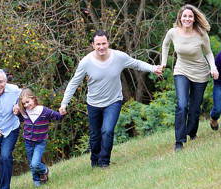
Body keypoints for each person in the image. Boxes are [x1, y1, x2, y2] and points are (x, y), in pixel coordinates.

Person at [59, 30, 163, 168]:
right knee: (95, 136)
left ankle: (104, 162)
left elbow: (136, 63)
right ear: (93, 45)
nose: (101, 47)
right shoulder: (86, 62)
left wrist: (153, 68)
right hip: (93, 104)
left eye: (104, 43)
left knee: (107, 131)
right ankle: (95, 161)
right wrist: (64, 103)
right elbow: (74, 83)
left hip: (114, 101)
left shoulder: (119, 57)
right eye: (98, 44)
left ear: (108, 43)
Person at [161, 4, 219, 152]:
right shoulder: (173, 32)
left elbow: (208, 53)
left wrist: (213, 67)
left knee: (194, 108)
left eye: (190, 16)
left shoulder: (201, 34)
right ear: (180, 17)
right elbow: (165, 45)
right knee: (182, 105)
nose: (187, 18)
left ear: (194, 19)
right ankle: (179, 142)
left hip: (200, 72)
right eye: (185, 16)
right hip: (181, 70)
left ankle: (192, 132)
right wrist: (163, 62)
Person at [14, 88, 63, 187]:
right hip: (28, 141)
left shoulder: (44, 111)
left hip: (40, 142)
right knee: (31, 164)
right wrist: (17, 113)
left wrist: (62, 112)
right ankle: (37, 182)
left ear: (34, 99)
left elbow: (57, 116)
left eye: (28, 102)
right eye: (24, 104)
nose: (26, 105)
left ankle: (44, 170)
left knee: (35, 164)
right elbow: (22, 120)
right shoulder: (25, 112)